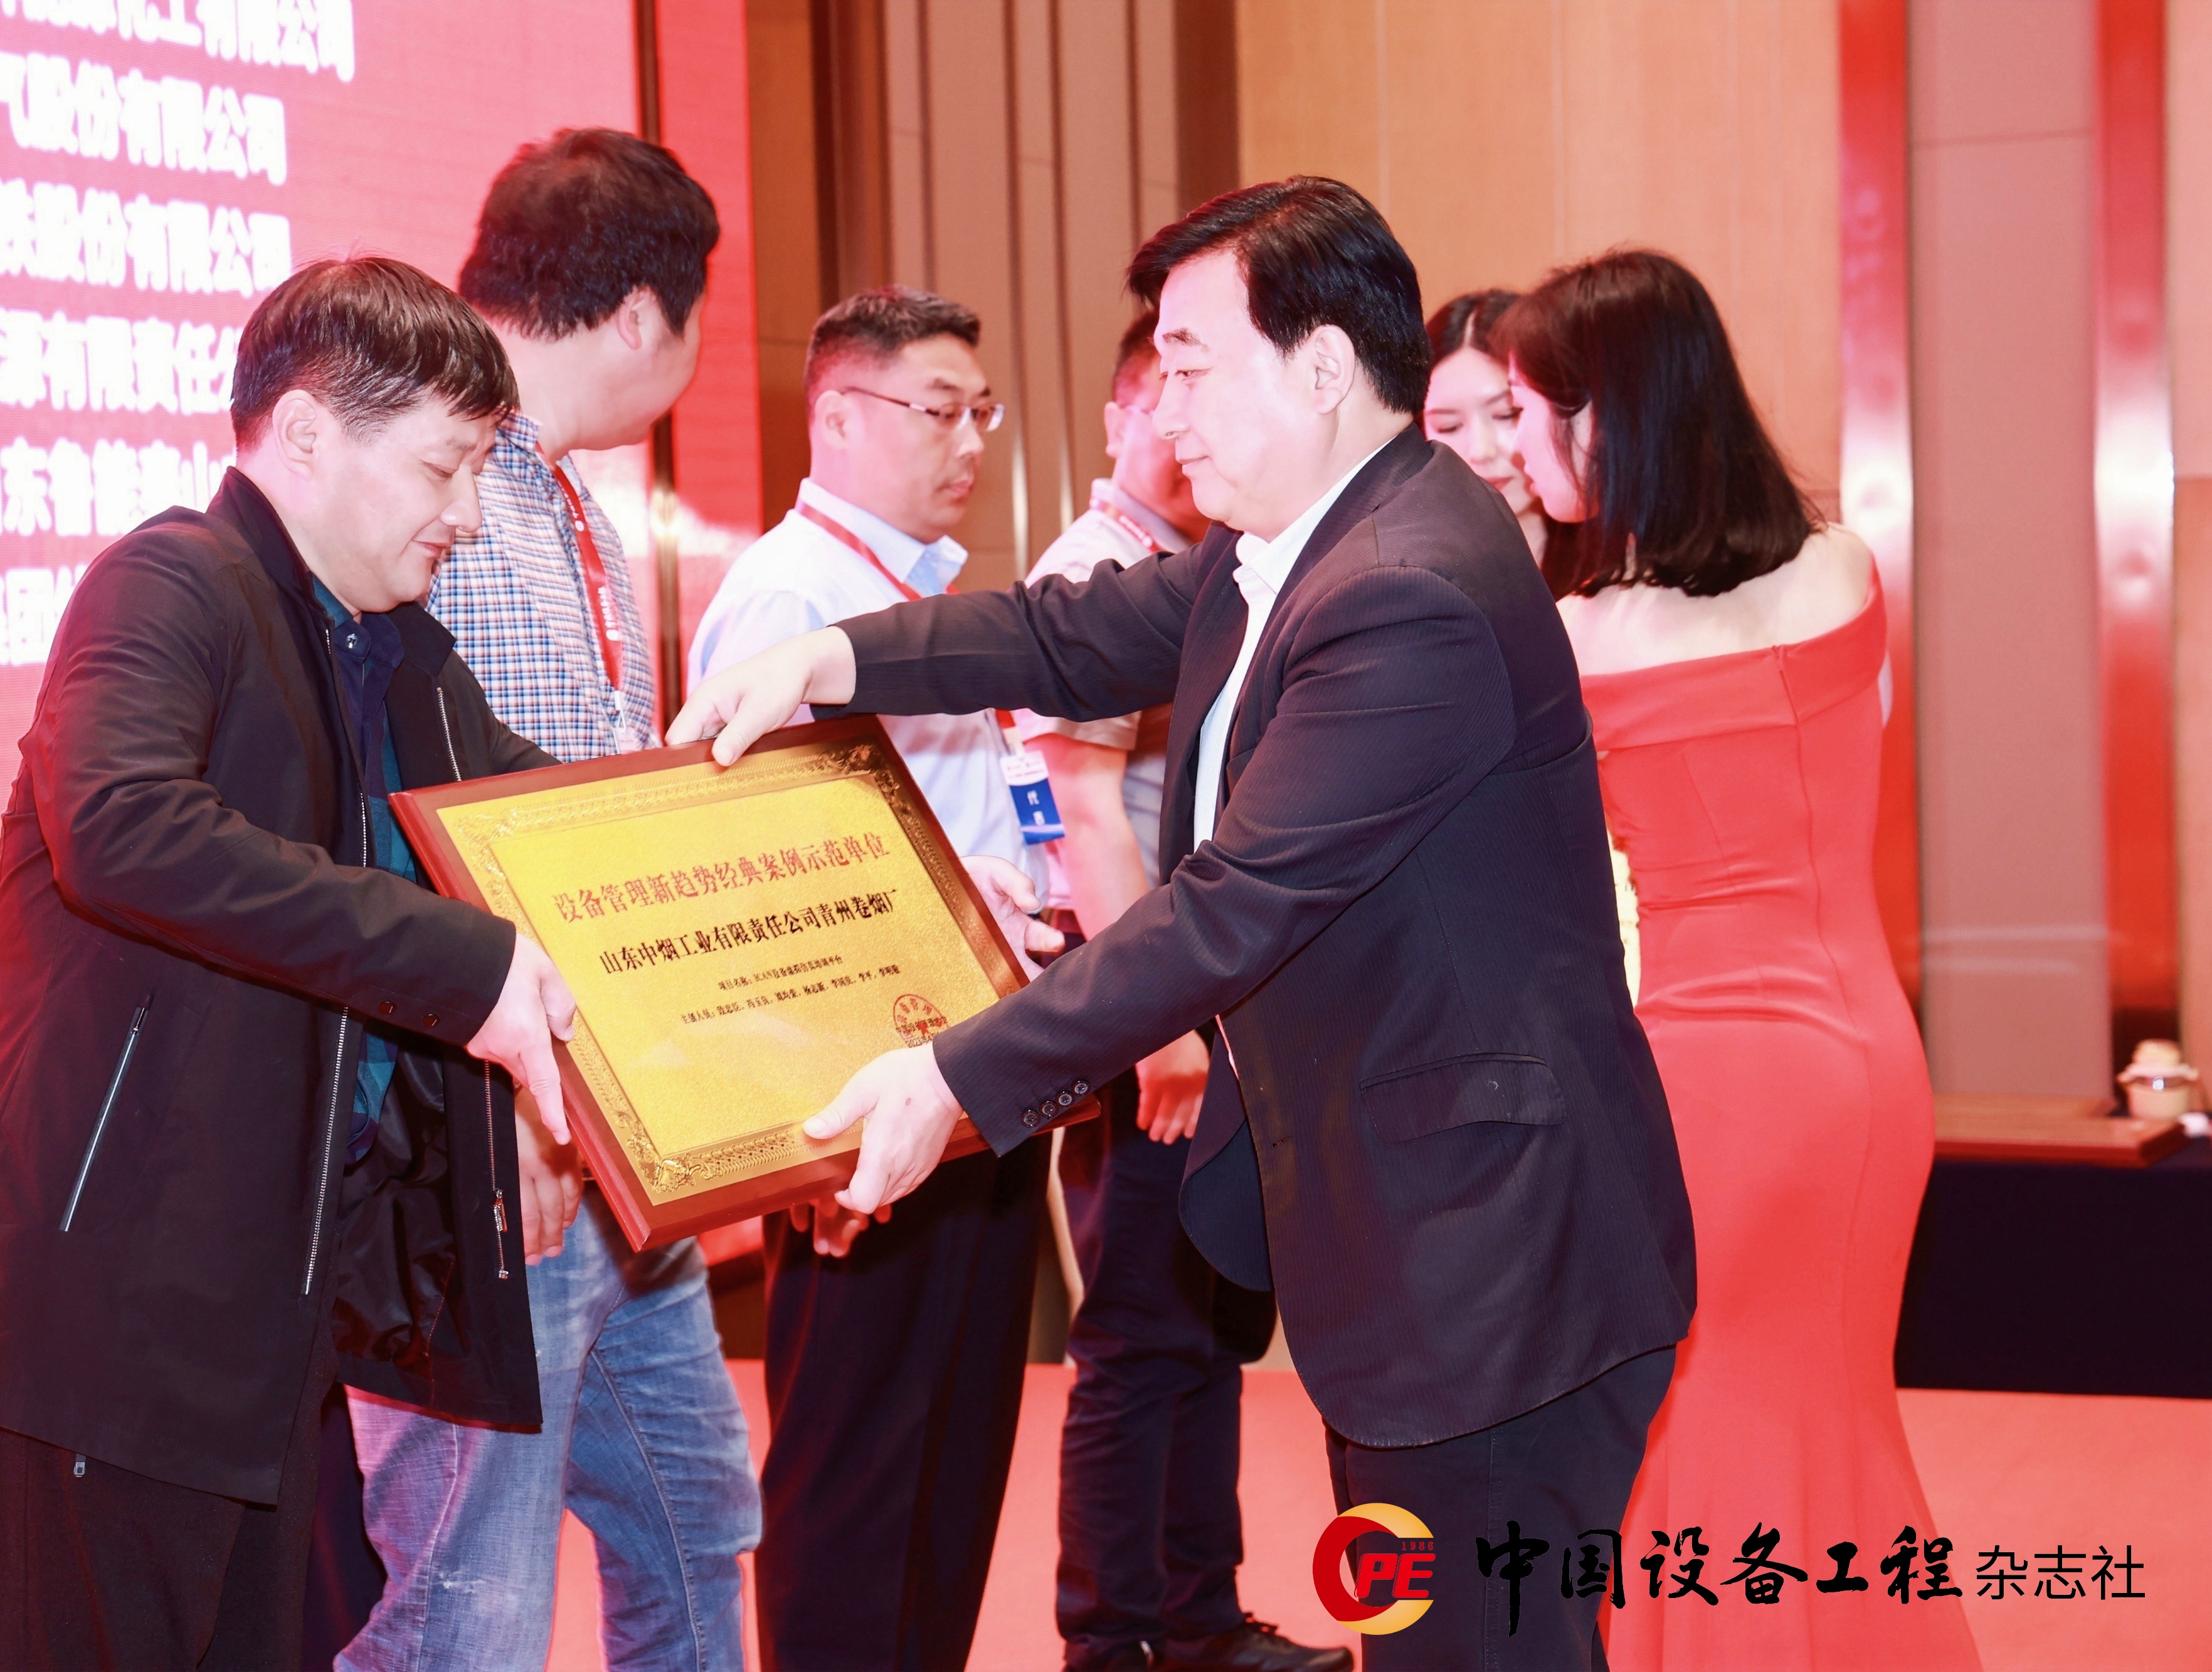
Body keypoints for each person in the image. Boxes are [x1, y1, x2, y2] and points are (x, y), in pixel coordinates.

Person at [673, 177, 1698, 1672]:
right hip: (1416, 1232)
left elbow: (1232, 905)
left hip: (1492, 1255)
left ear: (1325, 367)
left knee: (1480, 1649)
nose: (1163, 411)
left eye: (1193, 366)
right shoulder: (1284, 544)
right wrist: (826, 657)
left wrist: (952, 1073)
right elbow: (1057, 632)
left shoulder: (1404, 586)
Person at [0, 256, 579, 1672]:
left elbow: (565, 830)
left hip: (268, 1339)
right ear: (310, 432)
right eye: (446, 466)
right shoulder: (169, 581)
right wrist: (465, 965)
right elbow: (124, 824)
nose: (468, 514)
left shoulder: (392, 657)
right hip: (99, 1333)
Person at [1502, 249, 1981, 1672]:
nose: (1516, 450)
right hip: (1870, 1061)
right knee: (1832, 1410)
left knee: (1703, 1430)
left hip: (1709, 1080)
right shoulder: (1844, 570)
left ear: (1607, 415)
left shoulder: (1583, 636)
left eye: (1528, 414)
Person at [334, 130, 762, 1672]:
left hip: (616, 1122)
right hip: (489, 1134)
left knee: (694, 1516)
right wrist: (505, 1101)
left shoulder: (569, 500)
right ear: (645, 314)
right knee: (468, 1597)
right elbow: (385, 840)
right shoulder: (425, 495)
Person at [687, 285, 1052, 1672]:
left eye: (980, 412)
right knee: (857, 1475)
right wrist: (799, 1128)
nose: (969, 440)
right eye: (937, 410)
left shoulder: (917, 586)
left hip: (974, 1064)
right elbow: (754, 880)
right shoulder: (792, 595)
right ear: (837, 414)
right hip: (863, 1094)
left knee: (950, 1462)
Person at [1017, 310, 1341, 1672]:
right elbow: (1074, 812)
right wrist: (1161, 1027)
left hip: (1206, 1008)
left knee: (1203, 1330)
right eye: (1167, 396)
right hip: (1146, 1012)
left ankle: (1196, 1617)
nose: (1188, 424)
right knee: (1140, 1336)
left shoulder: (1211, 567)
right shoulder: (1097, 571)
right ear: (1115, 417)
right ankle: (1115, 1638)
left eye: (1209, 392)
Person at [1422, 288, 1547, 563]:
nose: (1481, 451)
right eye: (1449, 426)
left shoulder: (1623, 568)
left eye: (1508, 414)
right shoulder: (1407, 568)